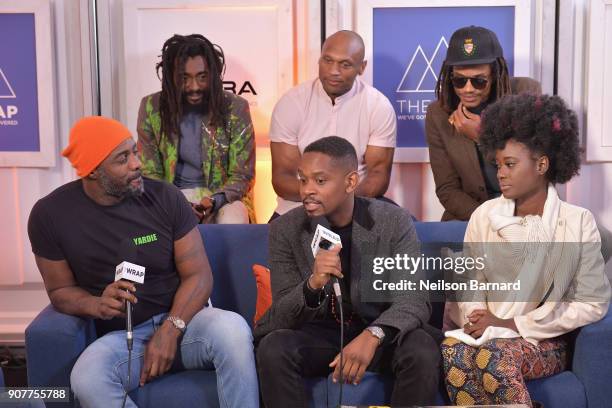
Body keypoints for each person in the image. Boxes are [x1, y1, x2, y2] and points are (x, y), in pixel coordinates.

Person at [27, 116, 258, 408]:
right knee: (87, 378)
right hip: (125, 338)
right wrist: (95, 304)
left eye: (134, 151)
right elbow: (60, 291)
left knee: (233, 330)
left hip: (188, 321)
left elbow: (199, 276)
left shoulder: (165, 197)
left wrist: (170, 330)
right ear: (93, 171)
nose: (137, 163)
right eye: (123, 158)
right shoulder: (50, 215)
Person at [441, 94, 611, 407]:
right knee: (454, 352)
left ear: (542, 164)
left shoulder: (576, 222)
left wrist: (515, 325)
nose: (500, 174)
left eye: (510, 165)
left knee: (495, 357)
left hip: (543, 339)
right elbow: (470, 282)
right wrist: (478, 318)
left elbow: (593, 304)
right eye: (498, 165)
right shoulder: (484, 216)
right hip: (488, 331)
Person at [255, 136, 440, 407]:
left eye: (320, 181)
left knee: (421, 348)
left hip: (380, 333)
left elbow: (413, 298)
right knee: (274, 347)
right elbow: (280, 316)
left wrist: (373, 335)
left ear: (350, 182)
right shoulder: (286, 229)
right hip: (321, 336)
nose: (307, 190)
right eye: (302, 179)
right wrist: (312, 285)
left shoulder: (392, 221)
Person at [269, 30, 396, 220]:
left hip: (357, 204)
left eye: (345, 64)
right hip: (298, 206)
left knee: (404, 228)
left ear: (362, 67)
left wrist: (341, 201)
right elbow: (282, 178)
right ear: (319, 60)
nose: (333, 71)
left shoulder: (378, 106)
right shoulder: (291, 103)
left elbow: (378, 175)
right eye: (327, 61)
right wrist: (325, 198)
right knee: (270, 245)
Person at [426, 25, 541, 221]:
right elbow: (447, 189)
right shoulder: (438, 113)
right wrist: (488, 219)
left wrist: (482, 136)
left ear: (495, 74)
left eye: (479, 81)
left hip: (524, 211)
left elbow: (534, 171)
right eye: (459, 81)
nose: (468, 89)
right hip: (470, 216)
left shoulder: (525, 94)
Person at [137, 34, 255, 224]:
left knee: (233, 219)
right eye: (184, 78)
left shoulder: (236, 108)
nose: (194, 87)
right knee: (144, 222)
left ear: (214, 75)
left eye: (202, 77)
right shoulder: (152, 107)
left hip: (224, 198)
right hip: (171, 197)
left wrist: (215, 201)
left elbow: (243, 174)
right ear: (170, 77)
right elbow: (150, 174)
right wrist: (179, 203)